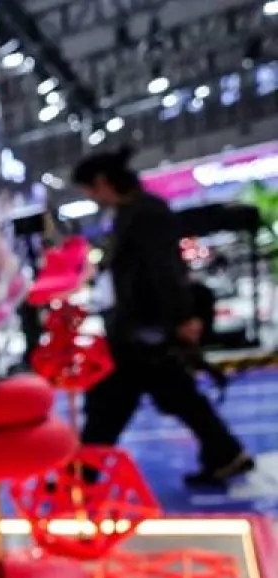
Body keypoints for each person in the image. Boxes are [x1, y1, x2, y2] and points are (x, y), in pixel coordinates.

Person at [71, 148, 252, 488]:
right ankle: (225, 453)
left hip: (145, 330)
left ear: (102, 182)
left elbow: (165, 271)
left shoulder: (144, 214)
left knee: (112, 402)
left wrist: (182, 318)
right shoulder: (135, 213)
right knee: (171, 397)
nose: (91, 197)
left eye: (89, 189)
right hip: (141, 328)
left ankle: (83, 475)